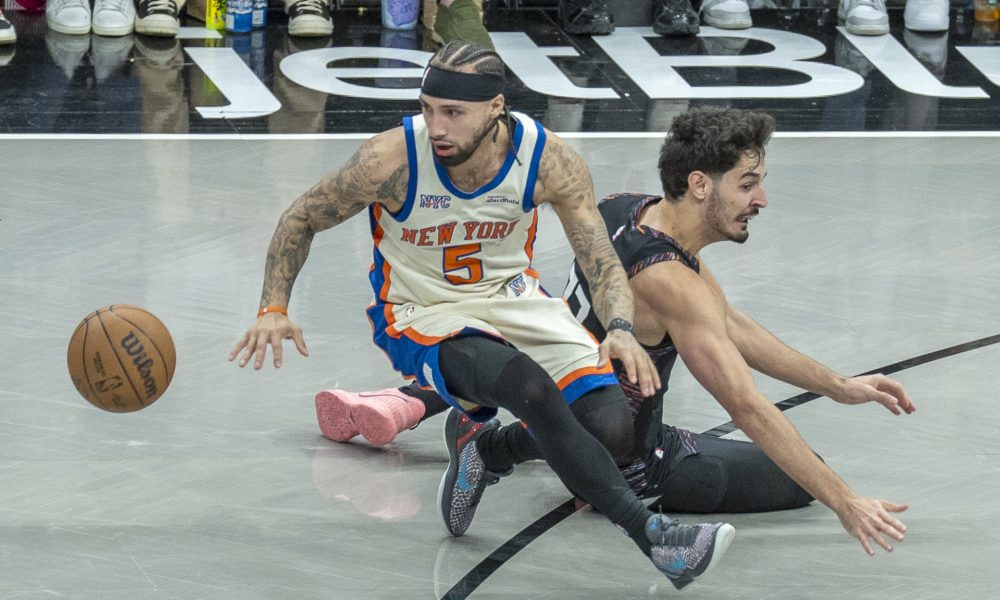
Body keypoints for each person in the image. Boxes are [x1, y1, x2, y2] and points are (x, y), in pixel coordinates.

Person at [230, 41, 735, 590]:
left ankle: (489, 450)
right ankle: (656, 538)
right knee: (529, 387)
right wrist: (273, 306)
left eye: (453, 112)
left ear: (496, 108)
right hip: (421, 309)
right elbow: (302, 217)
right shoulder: (392, 160)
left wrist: (618, 327)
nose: (437, 127)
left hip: (512, 297)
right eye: (428, 109)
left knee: (612, 426)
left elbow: (597, 254)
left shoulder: (548, 160)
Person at [320, 107, 914, 556]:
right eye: (747, 182)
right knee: (802, 477)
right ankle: (502, 451)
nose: (761, 198)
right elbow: (747, 406)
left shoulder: (624, 210)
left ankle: (479, 427)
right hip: (635, 463)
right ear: (700, 184)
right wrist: (846, 502)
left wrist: (837, 385)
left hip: (573, 404)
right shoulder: (671, 281)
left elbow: (728, 323)